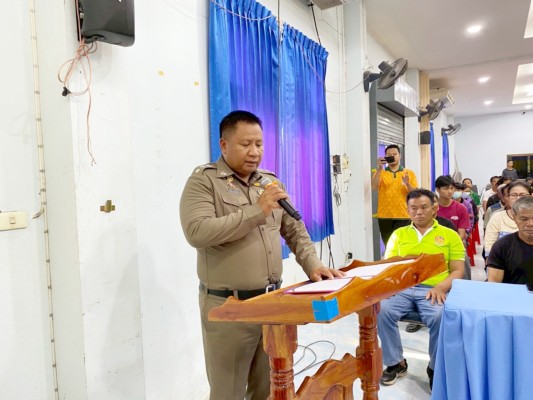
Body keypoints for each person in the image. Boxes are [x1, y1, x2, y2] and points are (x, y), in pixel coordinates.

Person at [179, 110, 344, 400]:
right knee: (228, 392)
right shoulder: (205, 182)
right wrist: (257, 211)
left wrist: (313, 264)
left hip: (272, 303)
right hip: (229, 307)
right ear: (224, 145)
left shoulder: (269, 183)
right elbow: (197, 232)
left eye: (259, 144)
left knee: (268, 388)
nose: (255, 152)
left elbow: (295, 230)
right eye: (246, 144)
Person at [377, 189, 464, 390]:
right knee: (381, 310)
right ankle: (396, 362)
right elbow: (389, 266)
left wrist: (441, 287)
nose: (418, 212)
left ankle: (434, 367)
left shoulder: (449, 235)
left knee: (439, 316)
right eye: (413, 208)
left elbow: (458, 270)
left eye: (424, 207)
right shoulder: (399, 235)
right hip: (403, 287)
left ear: (434, 208)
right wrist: (390, 285)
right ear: (407, 210)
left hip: (434, 288)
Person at [371, 144, 418, 246]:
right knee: (389, 246)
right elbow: (374, 187)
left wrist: (407, 184)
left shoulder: (409, 173)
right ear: (385, 157)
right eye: (389, 155)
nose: (392, 156)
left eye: (395, 154)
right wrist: (379, 168)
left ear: (399, 156)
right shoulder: (381, 173)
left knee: (402, 245)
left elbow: (415, 193)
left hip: (404, 216)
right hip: (385, 216)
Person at [487, 196, 533, 284]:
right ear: (514, 218)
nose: (530, 224)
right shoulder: (502, 246)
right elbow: (494, 283)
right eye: (524, 219)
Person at [484, 181, 532, 255]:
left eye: (522, 195)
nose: (518, 198)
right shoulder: (497, 217)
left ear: (530, 196)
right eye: (514, 195)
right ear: (507, 197)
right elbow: (489, 246)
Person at [435, 175, 470, 241]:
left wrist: (453, 244)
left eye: (451, 188)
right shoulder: (432, 208)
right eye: (446, 189)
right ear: (437, 189)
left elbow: (461, 233)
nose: (450, 191)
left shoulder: (461, 208)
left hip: (454, 242)